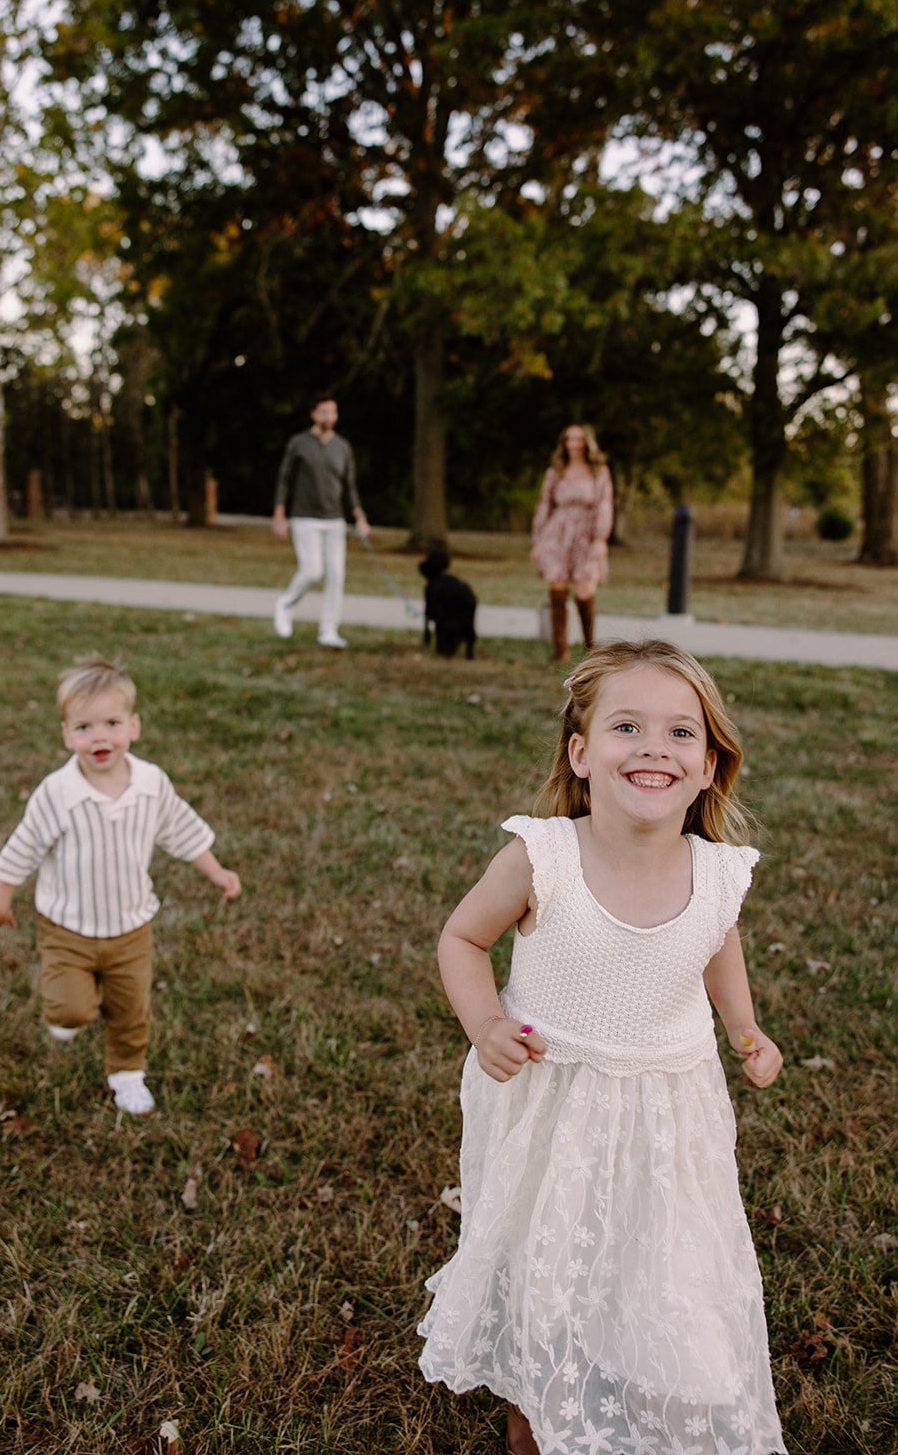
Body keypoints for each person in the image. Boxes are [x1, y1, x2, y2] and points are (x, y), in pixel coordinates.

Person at [418, 639, 786, 1455]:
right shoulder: (540, 857)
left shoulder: (717, 871)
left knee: (659, 1259)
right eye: (627, 726)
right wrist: (484, 1026)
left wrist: (742, 1028)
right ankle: (533, 1411)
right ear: (581, 754)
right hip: (550, 1100)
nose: (654, 746)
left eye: (680, 733)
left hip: (668, 1105)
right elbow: (461, 938)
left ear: (707, 766)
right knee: (543, 1264)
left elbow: (715, 943)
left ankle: (648, 1374)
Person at [0, 655, 241, 1116]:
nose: (99, 737)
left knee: (131, 1010)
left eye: (112, 723)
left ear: (134, 727)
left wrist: (216, 871)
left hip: (131, 927)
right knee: (71, 1010)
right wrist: (0, 900)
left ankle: (127, 1074)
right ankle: (71, 1011)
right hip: (67, 927)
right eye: (83, 728)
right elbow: (23, 847)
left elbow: (181, 829)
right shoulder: (57, 793)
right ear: (66, 735)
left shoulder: (151, 784)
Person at [272, 394, 370, 650]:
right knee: (312, 571)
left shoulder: (342, 447)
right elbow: (284, 479)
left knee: (336, 576)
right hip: (304, 517)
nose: (330, 417)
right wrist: (279, 515)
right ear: (314, 414)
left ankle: (328, 630)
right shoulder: (299, 443)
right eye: (325, 412)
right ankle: (285, 604)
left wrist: (360, 517)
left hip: (335, 520)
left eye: (333, 412)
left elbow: (349, 487)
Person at [531, 424, 613, 662]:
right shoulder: (555, 471)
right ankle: (561, 650)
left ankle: (590, 648)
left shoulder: (599, 472)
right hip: (557, 532)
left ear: (587, 443)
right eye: (569, 439)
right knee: (557, 586)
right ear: (564, 443)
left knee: (584, 588)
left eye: (578, 440)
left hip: (585, 534)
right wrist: (538, 540)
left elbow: (604, 505)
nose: (573, 445)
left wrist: (600, 539)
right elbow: (544, 504)